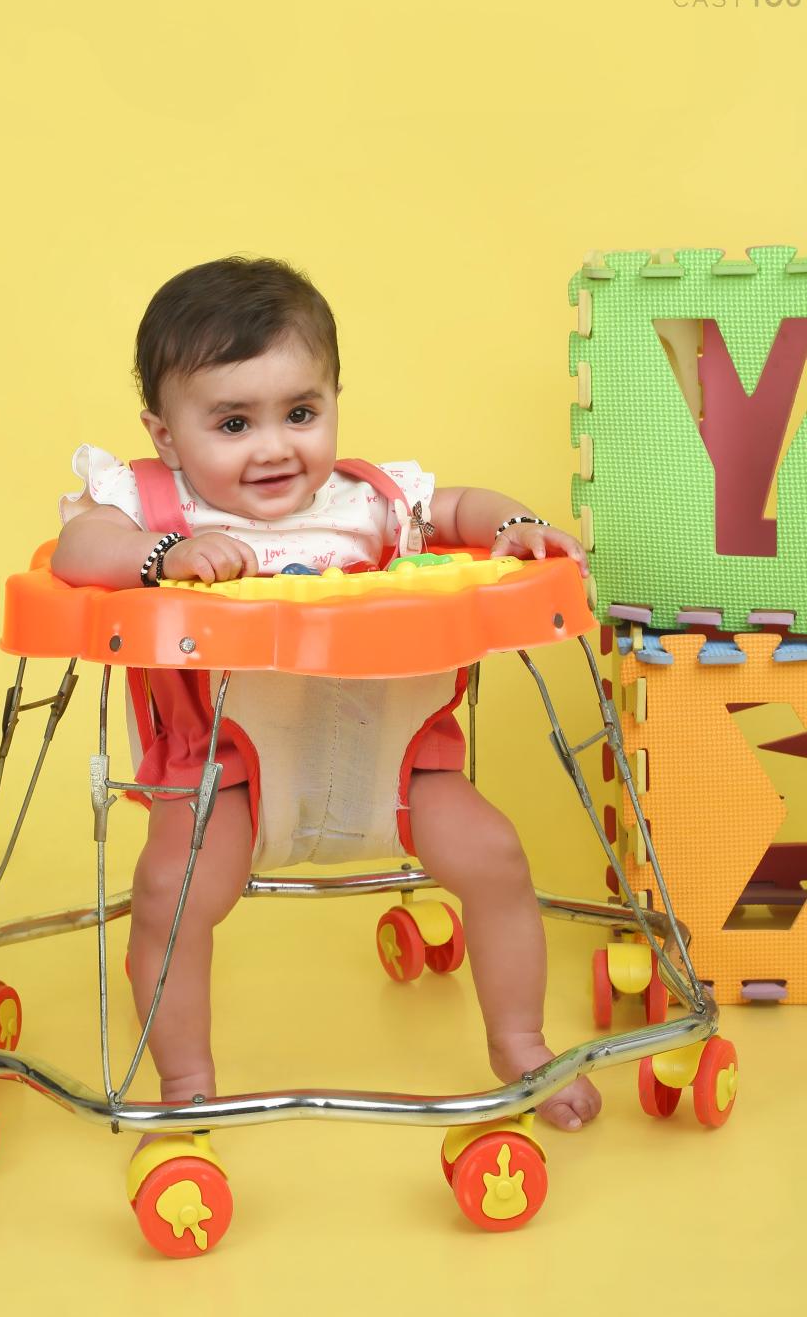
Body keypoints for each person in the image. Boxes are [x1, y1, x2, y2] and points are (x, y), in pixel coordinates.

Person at [51, 256, 602, 1133]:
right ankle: (186, 1080)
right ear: (166, 435)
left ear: (335, 401)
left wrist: (515, 525)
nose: (275, 446)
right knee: (171, 895)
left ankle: (522, 1043)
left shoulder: (367, 501)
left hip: (393, 758)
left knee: (497, 857)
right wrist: (162, 559)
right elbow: (77, 553)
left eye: (301, 413)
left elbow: (458, 505)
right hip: (227, 771)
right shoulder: (156, 507)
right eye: (234, 422)